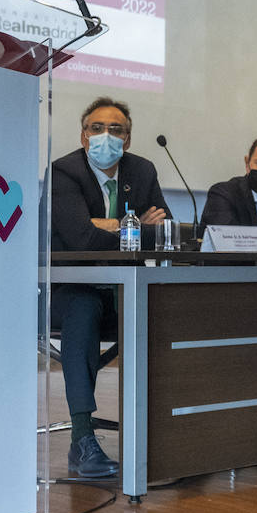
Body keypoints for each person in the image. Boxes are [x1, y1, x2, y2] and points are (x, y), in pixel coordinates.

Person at [51, 97, 170, 477]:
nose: (106, 136)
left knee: (165, 306)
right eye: (97, 128)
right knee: (83, 307)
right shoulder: (63, 172)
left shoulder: (143, 170)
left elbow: (163, 233)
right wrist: (131, 224)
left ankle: (167, 430)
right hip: (68, 290)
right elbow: (81, 241)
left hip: (122, 288)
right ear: (84, 136)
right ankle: (82, 439)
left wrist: (108, 224)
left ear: (128, 140)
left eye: (116, 130)